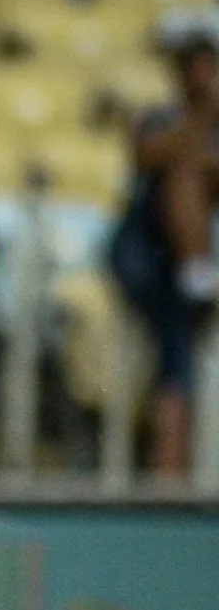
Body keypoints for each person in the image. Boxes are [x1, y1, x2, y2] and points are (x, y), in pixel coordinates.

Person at [108, 28, 218, 477]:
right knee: (185, 174)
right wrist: (204, 118)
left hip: (190, 266)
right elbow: (151, 155)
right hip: (148, 256)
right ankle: (197, 274)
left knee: (179, 361)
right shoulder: (161, 119)